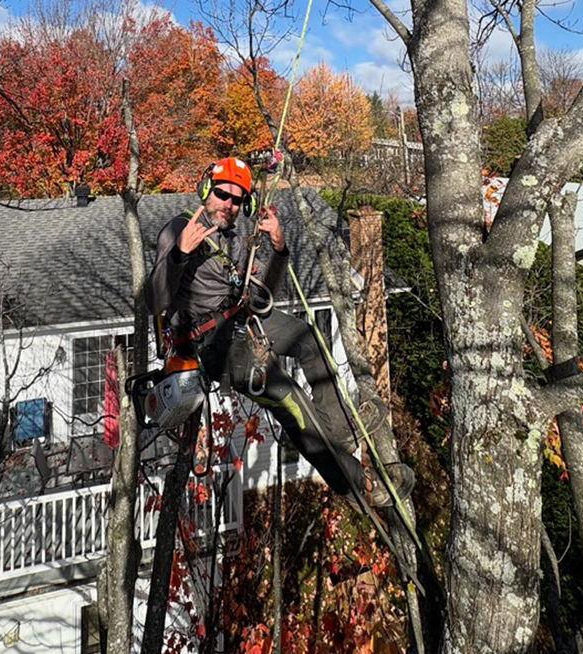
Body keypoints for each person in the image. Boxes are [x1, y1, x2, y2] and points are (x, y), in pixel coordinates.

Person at [144, 157, 413, 510]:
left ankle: (341, 431)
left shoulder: (236, 241)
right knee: (293, 404)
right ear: (206, 190)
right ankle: (357, 484)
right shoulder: (180, 229)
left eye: (238, 199)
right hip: (209, 346)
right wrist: (180, 253)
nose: (229, 204)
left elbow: (264, 298)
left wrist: (279, 247)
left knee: (307, 338)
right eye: (223, 194)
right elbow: (153, 301)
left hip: (240, 323)